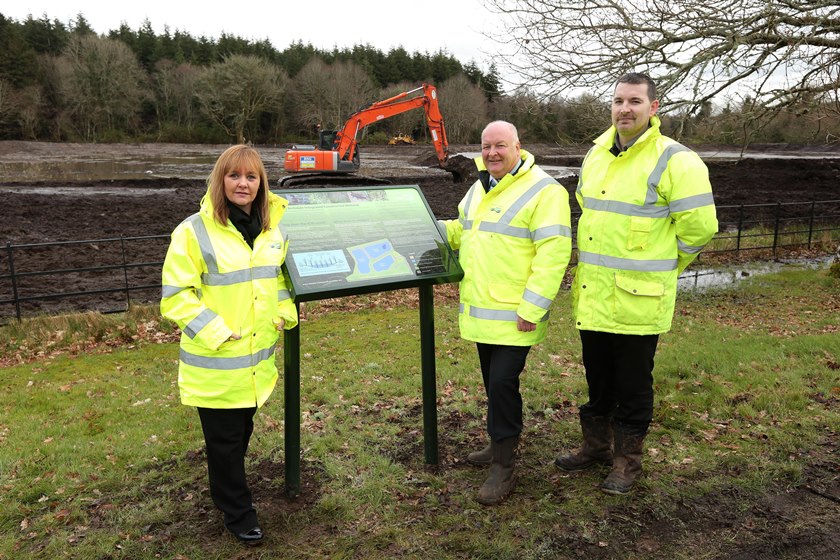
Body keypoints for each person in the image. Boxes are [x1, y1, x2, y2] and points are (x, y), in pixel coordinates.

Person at [556, 72, 718, 494]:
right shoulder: (596, 154)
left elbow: (700, 229)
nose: (624, 109)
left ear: (653, 108)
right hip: (593, 296)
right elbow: (590, 213)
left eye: (634, 101)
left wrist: (665, 266)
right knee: (598, 379)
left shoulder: (676, 160)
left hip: (638, 301)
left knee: (632, 384)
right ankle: (596, 446)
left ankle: (627, 462)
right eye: (618, 101)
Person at [160, 145, 297, 544]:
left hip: (255, 364)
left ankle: (229, 493)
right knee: (224, 445)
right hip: (216, 365)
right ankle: (238, 513)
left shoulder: (273, 229)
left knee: (239, 438)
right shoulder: (193, 231)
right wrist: (217, 332)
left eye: (251, 177)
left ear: (261, 183)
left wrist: (283, 315)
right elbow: (176, 296)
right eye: (234, 176)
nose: (243, 183)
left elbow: (279, 282)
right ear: (221, 181)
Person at [440, 120, 572, 505]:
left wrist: (533, 306)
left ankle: (504, 466)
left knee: (501, 383)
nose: (492, 153)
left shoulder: (545, 191)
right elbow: (462, 230)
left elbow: (553, 255)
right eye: (485, 147)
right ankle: (499, 444)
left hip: (516, 314)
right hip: (483, 311)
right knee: (492, 383)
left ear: (519, 146)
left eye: (500, 146)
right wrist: (425, 228)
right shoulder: (480, 188)